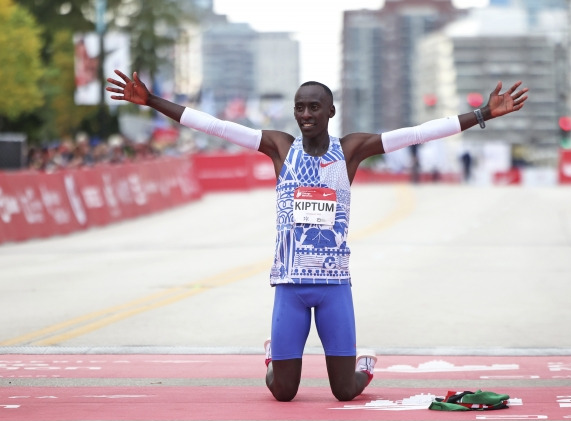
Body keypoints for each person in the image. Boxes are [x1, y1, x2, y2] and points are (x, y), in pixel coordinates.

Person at [106, 70, 528, 402]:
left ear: (330, 112)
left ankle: (364, 361)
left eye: (314, 107)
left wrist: (483, 114)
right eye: (299, 107)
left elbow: (417, 133)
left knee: (344, 391)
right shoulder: (278, 147)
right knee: (282, 392)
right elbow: (213, 126)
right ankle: (275, 354)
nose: (305, 114)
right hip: (289, 287)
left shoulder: (350, 150)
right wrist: (152, 102)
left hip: (333, 288)